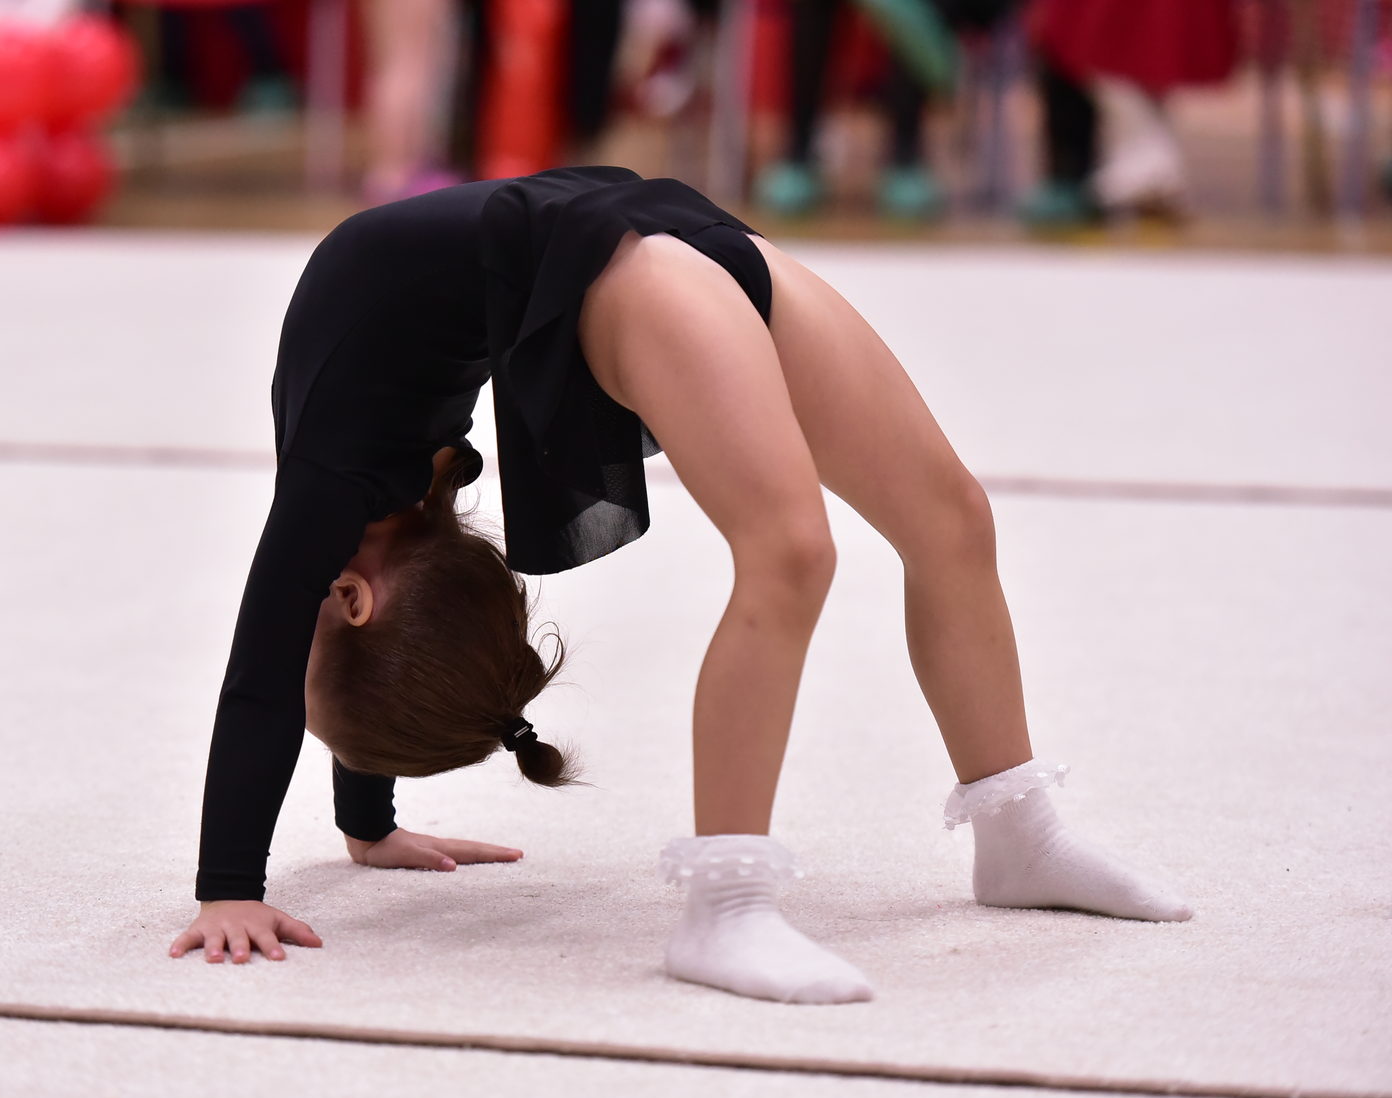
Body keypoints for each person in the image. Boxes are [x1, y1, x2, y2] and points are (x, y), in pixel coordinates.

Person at [167, 165, 1192, 1005]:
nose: (297, 608)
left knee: (952, 517)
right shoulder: (367, 520)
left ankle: (1017, 837)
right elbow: (324, 671)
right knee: (791, 551)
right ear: (354, 600)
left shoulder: (329, 488)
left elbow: (262, 677)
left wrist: (232, 884)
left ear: (353, 595)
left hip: (638, 234)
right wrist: (369, 821)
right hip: (617, 256)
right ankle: (725, 905)